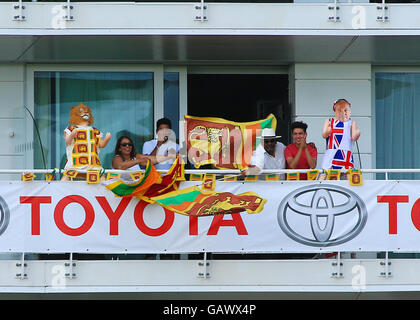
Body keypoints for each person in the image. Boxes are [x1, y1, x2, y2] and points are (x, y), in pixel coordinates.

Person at [320, 98, 361, 179]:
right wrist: (329, 130)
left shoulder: (352, 123)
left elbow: (354, 137)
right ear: (335, 111)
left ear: (350, 112)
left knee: (349, 174)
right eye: (339, 110)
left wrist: (357, 134)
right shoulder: (329, 121)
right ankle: (318, 188)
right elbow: (324, 135)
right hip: (331, 153)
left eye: (345, 110)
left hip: (346, 154)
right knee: (325, 173)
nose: (343, 113)